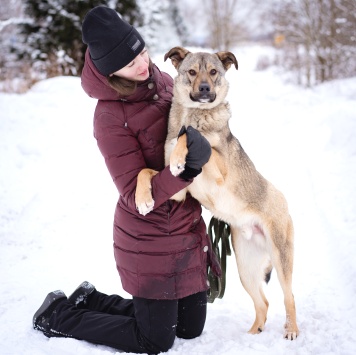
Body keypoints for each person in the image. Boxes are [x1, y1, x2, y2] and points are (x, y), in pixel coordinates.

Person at [33, 5, 221, 354]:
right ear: (109, 70)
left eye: (143, 51)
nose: (143, 62)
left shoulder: (162, 82)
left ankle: (93, 299)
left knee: (190, 330)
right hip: (148, 235)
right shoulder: (108, 117)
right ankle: (59, 314)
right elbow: (137, 196)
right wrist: (188, 168)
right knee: (155, 339)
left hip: (186, 226)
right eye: (130, 60)